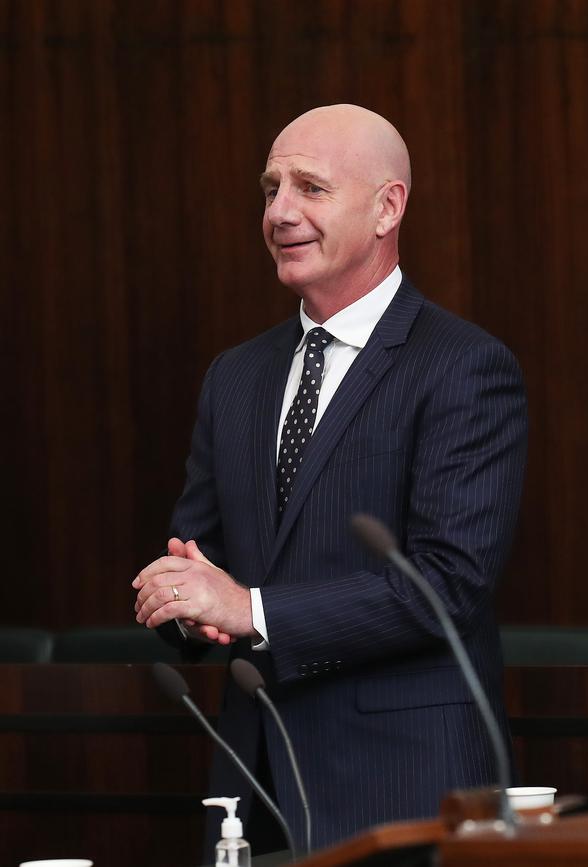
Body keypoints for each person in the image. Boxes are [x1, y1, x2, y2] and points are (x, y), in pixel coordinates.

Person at [133, 104, 527, 854]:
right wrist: (180, 598)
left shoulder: (463, 367)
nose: (279, 211)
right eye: (270, 187)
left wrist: (248, 606)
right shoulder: (236, 376)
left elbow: (446, 585)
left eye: (309, 187)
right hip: (256, 782)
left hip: (407, 785)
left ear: (389, 207)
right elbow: (203, 559)